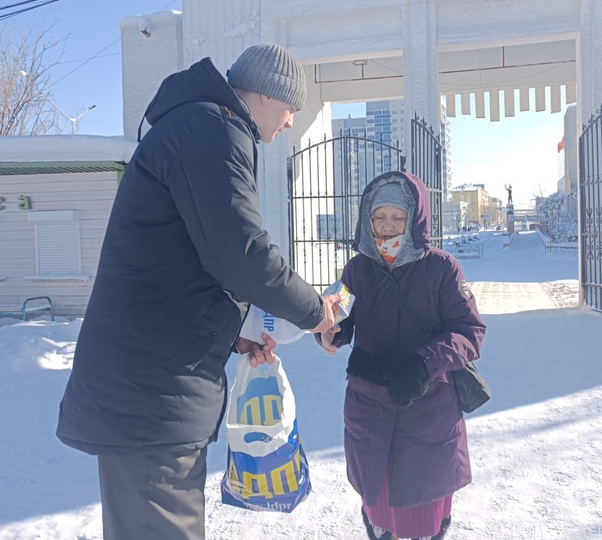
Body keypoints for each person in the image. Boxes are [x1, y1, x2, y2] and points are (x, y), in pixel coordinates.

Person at [56, 44, 341, 540]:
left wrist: (230, 336)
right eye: (291, 108)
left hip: (153, 382)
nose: (291, 122)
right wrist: (317, 313)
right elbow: (243, 256)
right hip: (152, 392)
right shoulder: (214, 129)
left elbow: (183, 262)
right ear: (265, 95)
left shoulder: (198, 127)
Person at [318, 171, 486, 540]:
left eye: (398, 217)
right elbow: (341, 316)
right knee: (379, 507)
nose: (389, 227)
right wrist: (331, 331)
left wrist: (425, 364)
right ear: (368, 219)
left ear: (415, 219)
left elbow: (469, 332)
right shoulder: (357, 268)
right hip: (369, 407)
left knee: (421, 510)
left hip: (427, 410)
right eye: (380, 217)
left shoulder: (442, 268)